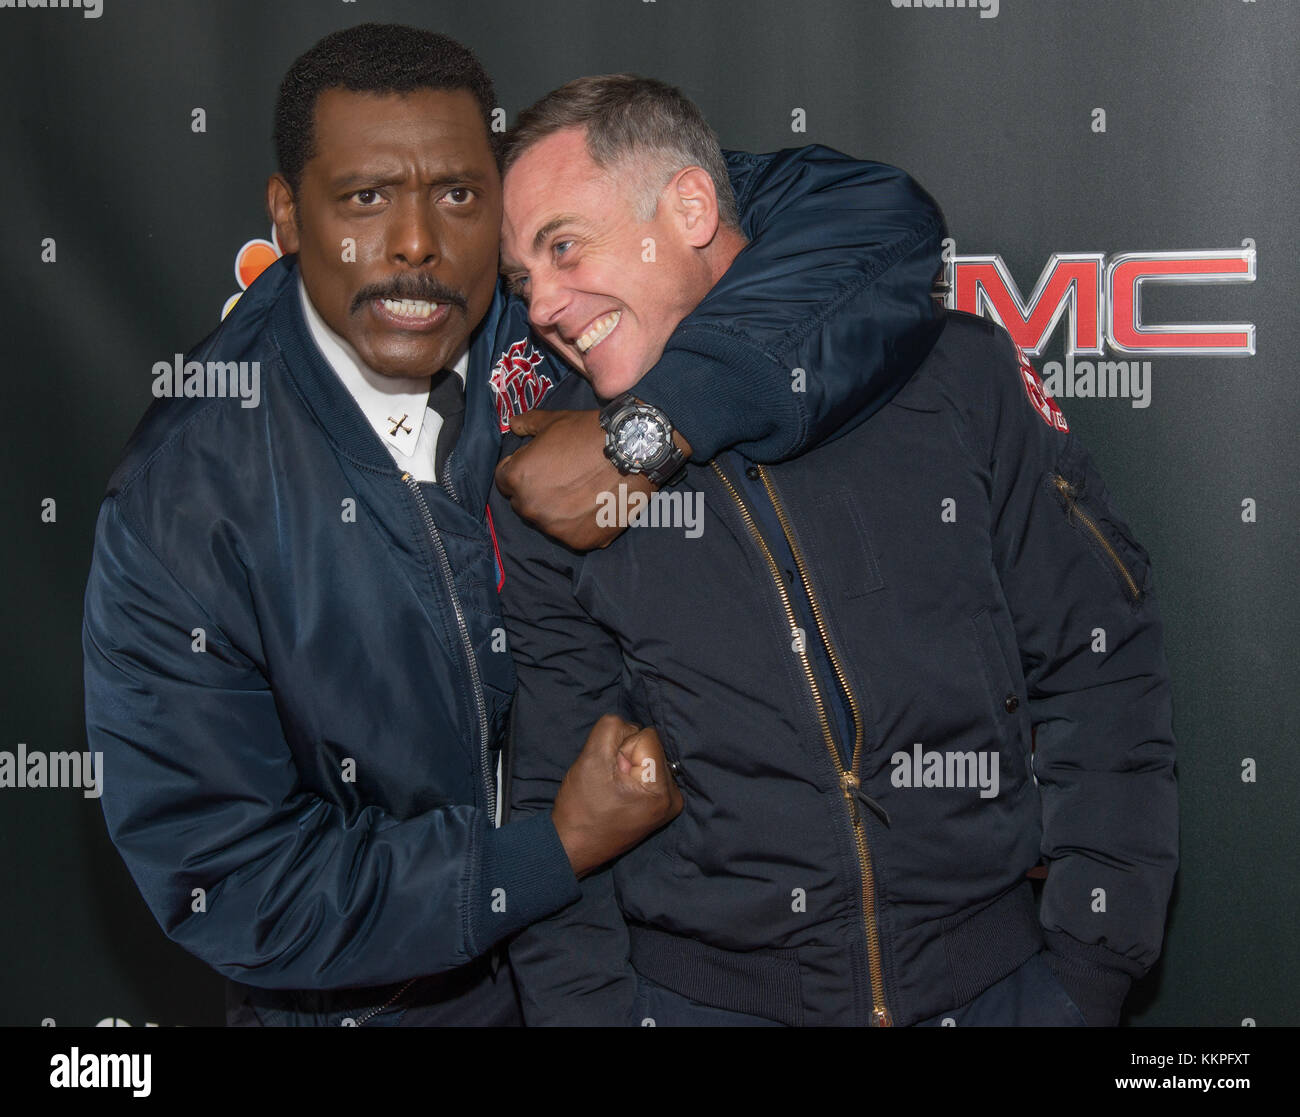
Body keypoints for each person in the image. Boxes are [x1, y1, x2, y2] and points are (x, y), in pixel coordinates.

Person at [81, 24, 946, 1026]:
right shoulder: (184, 494)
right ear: (287, 214)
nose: (416, 242)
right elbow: (230, 883)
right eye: (365, 198)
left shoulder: (540, 299)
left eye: (455, 194)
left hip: (641, 970)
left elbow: (873, 220)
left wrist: (650, 427)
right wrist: (549, 850)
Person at [493, 74, 1178, 1027]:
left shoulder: (954, 373)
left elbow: (1100, 669)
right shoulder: (553, 476)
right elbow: (553, 798)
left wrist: (1089, 967)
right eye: (524, 280)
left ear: (690, 207)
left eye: (564, 246)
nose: (542, 305)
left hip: (999, 990)